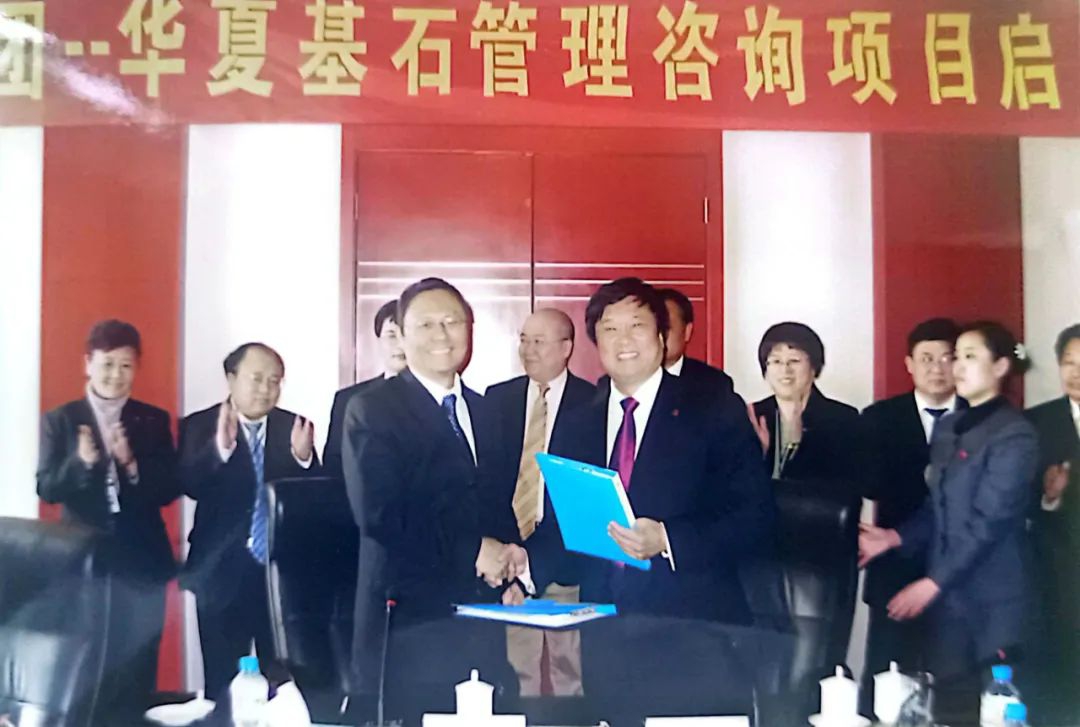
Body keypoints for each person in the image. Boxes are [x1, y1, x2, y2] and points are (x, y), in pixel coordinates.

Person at [549, 277, 775, 724]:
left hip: (695, 633)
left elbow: (756, 517)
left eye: (637, 325)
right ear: (595, 341)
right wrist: (522, 564)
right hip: (605, 635)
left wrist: (668, 539)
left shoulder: (713, 408)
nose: (624, 340)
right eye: (610, 329)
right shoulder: (577, 421)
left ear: (662, 335)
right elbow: (565, 522)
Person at [342, 277, 524, 724]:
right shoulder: (372, 408)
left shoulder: (487, 410)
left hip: (481, 612)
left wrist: (511, 562)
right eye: (426, 324)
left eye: (452, 322)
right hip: (410, 617)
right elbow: (381, 515)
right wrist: (474, 551)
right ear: (401, 336)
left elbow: (493, 500)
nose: (441, 335)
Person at [859, 321, 1037, 711]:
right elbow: (937, 507)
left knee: (996, 708)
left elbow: (988, 522)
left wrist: (932, 583)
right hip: (949, 602)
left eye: (970, 357)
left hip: (992, 599)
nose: (957, 366)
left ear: (1001, 366)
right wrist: (894, 538)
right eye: (958, 357)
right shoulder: (950, 426)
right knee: (948, 707)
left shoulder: (1014, 433)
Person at [37, 319, 180, 717]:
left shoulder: (152, 420)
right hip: (83, 561)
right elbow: (47, 488)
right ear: (88, 363)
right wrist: (81, 463)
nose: (116, 375)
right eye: (107, 364)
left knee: (139, 661)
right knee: (87, 660)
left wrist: (130, 464)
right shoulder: (61, 420)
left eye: (126, 366)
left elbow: (169, 489)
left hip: (142, 557)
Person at [178, 342, 319, 699]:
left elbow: (316, 499)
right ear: (231, 378)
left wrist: (304, 461)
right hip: (219, 571)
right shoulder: (199, 425)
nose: (266, 389)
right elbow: (189, 484)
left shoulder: (293, 426)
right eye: (257, 378)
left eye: (275, 381)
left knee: (285, 682)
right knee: (221, 681)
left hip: (279, 575)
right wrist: (220, 450)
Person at [484, 308, 596, 697]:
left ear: (566, 348)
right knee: (517, 672)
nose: (528, 350)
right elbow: (489, 481)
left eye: (539, 341)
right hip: (509, 555)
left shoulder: (594, 402)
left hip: (568, 555)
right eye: (524, 340)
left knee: (572, 671)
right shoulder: (497, 399)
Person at [860, 318, 964, 703]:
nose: (937, 368)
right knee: (887, 685)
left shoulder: (980, 419)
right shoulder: (879, 418)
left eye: (947, 358)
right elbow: (868, 486)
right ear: (909, 364)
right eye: (927, 358)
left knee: (954, 689)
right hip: (894, 567)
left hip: (959, 571)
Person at [1025, 323, 1080, 722]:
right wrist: (1050, 497)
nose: (1075, 373)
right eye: (1068, 363)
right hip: (1057, 571)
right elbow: (1019, 500)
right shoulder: (1037, 422)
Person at [748, 322, 860, 487]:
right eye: (776, 361)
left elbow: (843, 487)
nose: (785, 370)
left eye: (794, 360)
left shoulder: (842, 419)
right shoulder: (752, 416)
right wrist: (758, 456)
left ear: (814, 367)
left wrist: (798, 446)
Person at [323, 299, 406, 481]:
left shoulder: (438, 396)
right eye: (391, 335)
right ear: (378, 341)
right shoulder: (348, 399)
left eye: (406, 335)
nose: (400, 345)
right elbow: (333, 467)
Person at [656, 287, 735, 399]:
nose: (659, 335)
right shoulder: (631, 378)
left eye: (666, 328)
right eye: (655, 328)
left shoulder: (714, 384)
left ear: (687, 331)